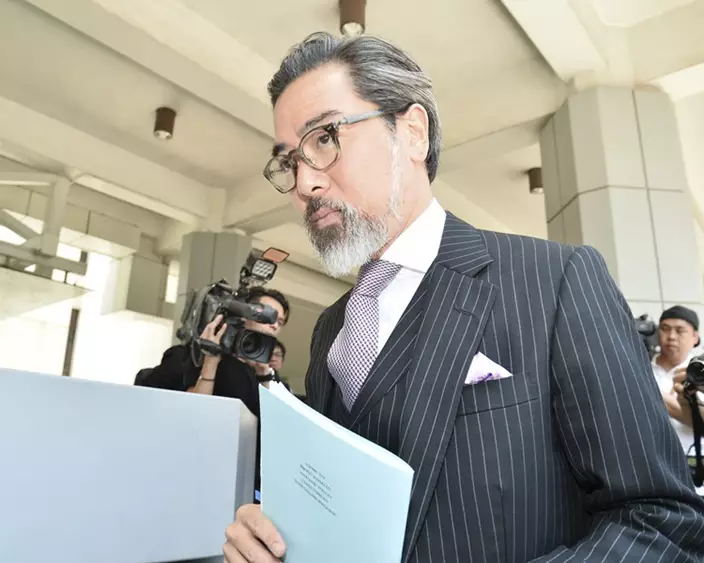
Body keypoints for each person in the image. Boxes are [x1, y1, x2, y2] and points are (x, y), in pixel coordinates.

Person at [223, 32, 704, 563]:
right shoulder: (331, 330)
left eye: (323, 139)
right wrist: (278, 543)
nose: (304, 183)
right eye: (289, 161)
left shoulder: (555, 281)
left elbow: (660, 521)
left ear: (412, 133)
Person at [187, 287, 290, 411]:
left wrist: (263, 376)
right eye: (268, 316)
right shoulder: (199, 356)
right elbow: (194, 410)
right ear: (244, 314)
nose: (274, 325)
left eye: (280, 322)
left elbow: (269, 418)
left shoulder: (269, 374)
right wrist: (210, 361)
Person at [653, 306, 701, 456]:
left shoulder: (700, 373)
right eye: (665, 329)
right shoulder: (639, 368)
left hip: (693, 458)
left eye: (680, 330)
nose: (671, 336)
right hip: (649, 458)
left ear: (695, 337)